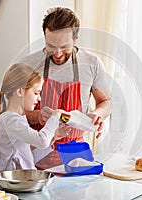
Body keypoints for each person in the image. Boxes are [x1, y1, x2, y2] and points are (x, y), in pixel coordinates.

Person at [22, 7, 112, 170]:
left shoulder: (92, 63)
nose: (57, 53)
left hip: (76, 154)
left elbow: (105, 101)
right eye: (50, 46)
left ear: (76, 38)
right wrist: (38, 116)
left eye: (64, 46)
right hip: (35, 155)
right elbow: (12, 113)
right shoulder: (28, 65)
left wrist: (97, 115)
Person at [0, 63, 70, 172]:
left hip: (22, 183)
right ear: (19, 91)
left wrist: (54, 137)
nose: (39, 98)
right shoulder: (10, 120)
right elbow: (42, 140)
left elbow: (27, 158)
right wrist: (55, 117)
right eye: (36, 93)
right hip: (13, 185)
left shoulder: (18, 118)